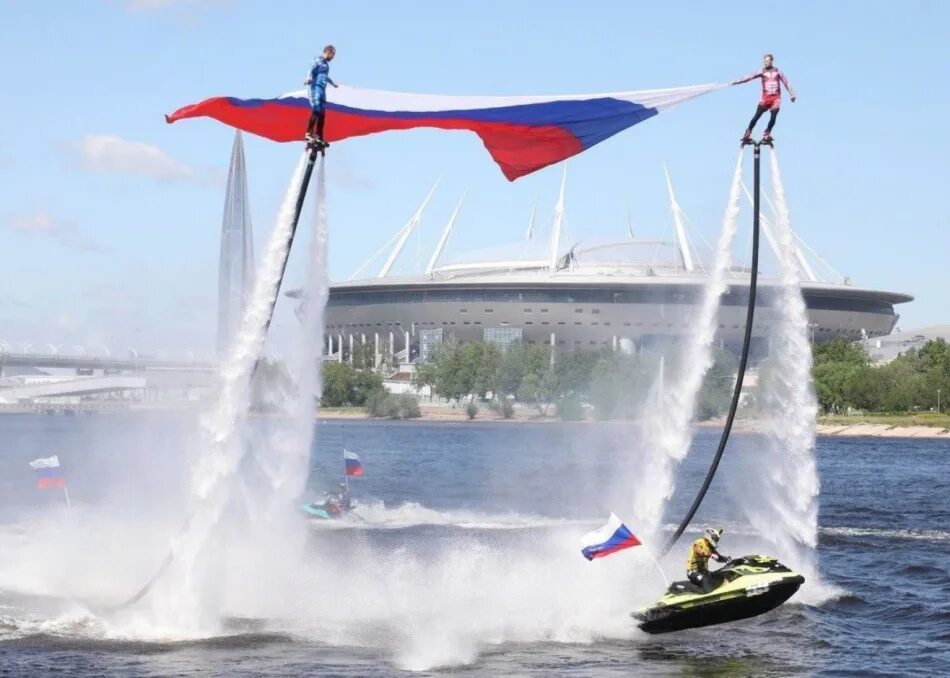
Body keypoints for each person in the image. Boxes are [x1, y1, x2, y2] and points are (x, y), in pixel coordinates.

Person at [732, 53, 796, 144]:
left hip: (776, 98)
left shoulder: (778, 71)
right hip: (765, 99)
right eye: (764, 61)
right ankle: (748, 131)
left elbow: (786, 82)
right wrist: (738, 81)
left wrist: (792, 94)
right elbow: (750, 77)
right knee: (756, 116)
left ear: (771, 61)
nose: (765, 63)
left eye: (767, 61)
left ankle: (767, 132)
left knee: (773, 117)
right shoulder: (762, 71)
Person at [304, 45, 339, 146]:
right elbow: (310, 69)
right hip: (315, 89)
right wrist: (308, 78)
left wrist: (332, 83)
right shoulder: (318, 60)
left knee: (322, 113)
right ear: (328, 52)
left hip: (322, 90)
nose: (333, 58)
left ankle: (319, 135)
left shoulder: (326, 65)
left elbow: (324, 76)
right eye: (333, 55)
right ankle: (308, 134)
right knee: (316, 110)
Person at [686, 528, 730, 593]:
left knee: (721, 577)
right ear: (709, 536)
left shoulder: (711, 548)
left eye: (717, 539)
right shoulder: (699, 542)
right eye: (715, 538)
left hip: (704, 572)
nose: (716, 541)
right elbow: (699, 552)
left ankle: (726, 592)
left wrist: (727, 559)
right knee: (705, 582)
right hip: (693, 572)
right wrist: (710, 554)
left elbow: (719, 558)